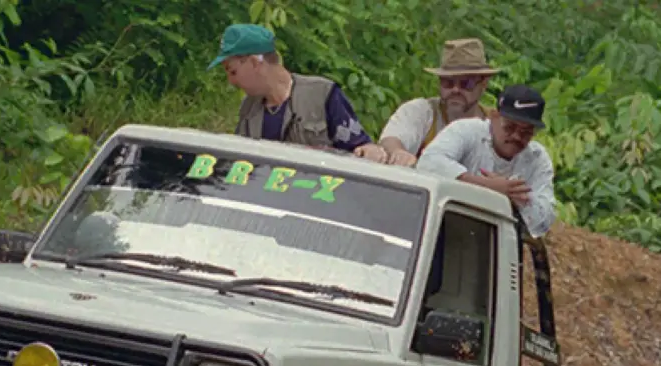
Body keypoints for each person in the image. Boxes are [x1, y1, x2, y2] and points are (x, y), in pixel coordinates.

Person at [209, 23, 388, 163]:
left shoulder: (322, 94)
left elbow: (359, 148)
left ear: (255, 63)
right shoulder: (248, 109)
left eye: (232, 72)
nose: (231, 81)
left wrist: (370, 151)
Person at [417, 84, 556, 239]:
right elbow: (428, 162)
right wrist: (487, 186)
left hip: (492, 244)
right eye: (510, 127)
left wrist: (517, 199)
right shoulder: (467, 130)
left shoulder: (537, 158)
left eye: (526, 133)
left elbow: (545, 220)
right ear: (494, 117)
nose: (517, 136)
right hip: (439, 230)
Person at [378, 38, 500, 167]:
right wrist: (398, 152)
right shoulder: (422, 111)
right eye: (448, 82)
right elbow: (390, 140)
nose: (455, 90)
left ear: (484, 84)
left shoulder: (495, 124)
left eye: (466, 84)